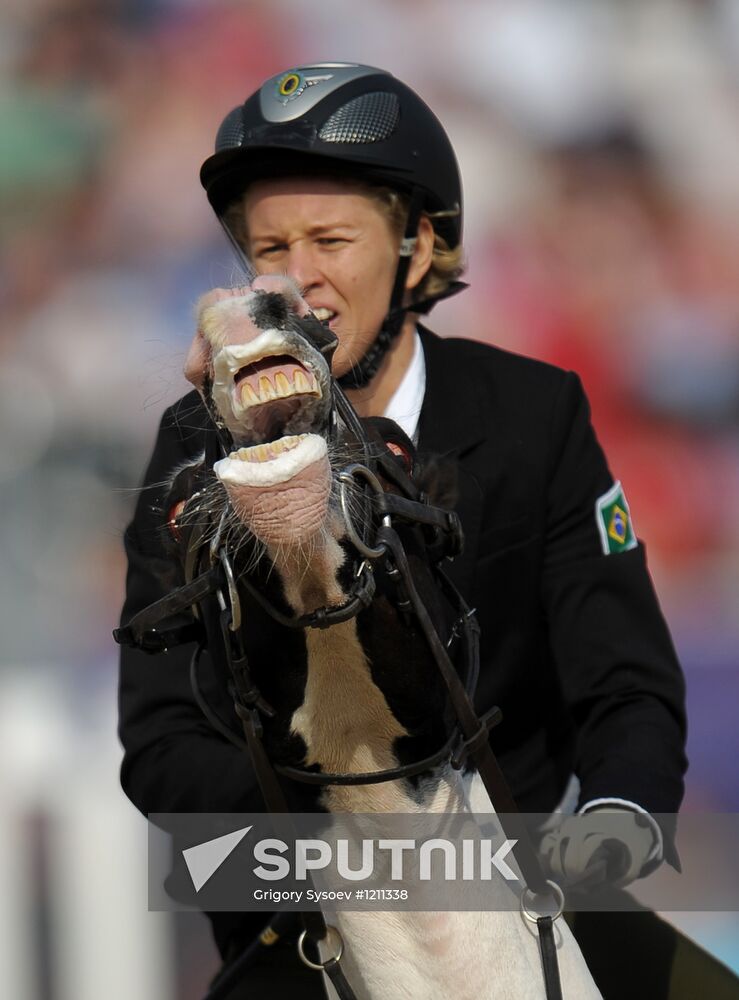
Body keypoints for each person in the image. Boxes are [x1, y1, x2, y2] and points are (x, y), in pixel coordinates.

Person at [117, 64, 726, 999]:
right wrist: (357, 861)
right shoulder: (193, 443)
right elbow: (162, 742)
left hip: (540, 889)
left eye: (330, 239)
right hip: (302, 907)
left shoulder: (533, 413)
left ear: (415, 242)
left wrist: (614, 820)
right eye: (270, 246)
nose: (298, 278)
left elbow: (626, 683)